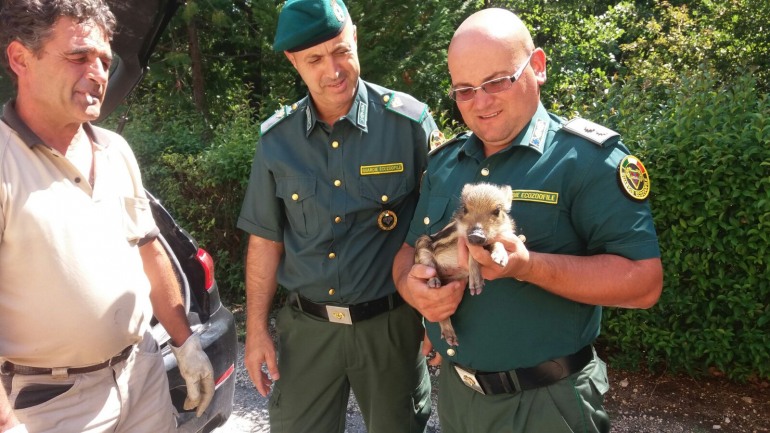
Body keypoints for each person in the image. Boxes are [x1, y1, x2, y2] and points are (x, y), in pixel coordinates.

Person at [392, 8, 664, 433]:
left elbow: (644, 283)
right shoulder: (445, 164)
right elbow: (408, 253)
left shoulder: (587, 160)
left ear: (537, 67)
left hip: (549, 406)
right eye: (464, 90)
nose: (480, 102)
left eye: (497, 81)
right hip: (459, 400)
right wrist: (414, 291)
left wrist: (530, 267)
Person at [0, 1, 215, 432]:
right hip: (49, 405)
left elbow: (149, 251)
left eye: (104, 60)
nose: (97, 73)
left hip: (143, 377)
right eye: (79, 57)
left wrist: (185, 341)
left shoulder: (115, 150)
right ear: (21, 58)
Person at [237, 0, 442, 431]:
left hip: (389, 329)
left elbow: (439, 228)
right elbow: (265, 241)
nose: (333, 69)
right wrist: (256, 330)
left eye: (341, 50)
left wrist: (440, 318)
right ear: (294, 61)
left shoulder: (408, 124)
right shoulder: (277, 141)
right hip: (307, 333)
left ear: (355, 39)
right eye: (315, 59)